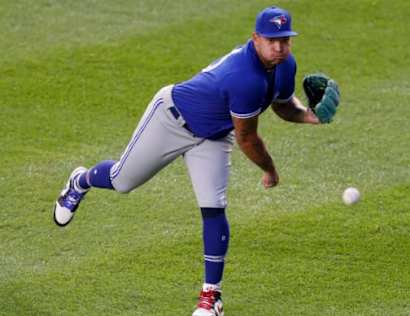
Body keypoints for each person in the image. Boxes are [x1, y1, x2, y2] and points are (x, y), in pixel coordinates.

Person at [53, 6, 330, 316]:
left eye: (285, 40)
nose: (279, 47)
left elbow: (280, 103)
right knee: (122, 180)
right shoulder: (245, 77)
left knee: (213, 207)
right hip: (171, 119)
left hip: (213, 135)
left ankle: (211, 298)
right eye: (271, 40)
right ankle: (80, 181)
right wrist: (270, 170)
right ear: (255, 38)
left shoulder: (284, 64)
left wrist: (309, 116)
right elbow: (248, 139)